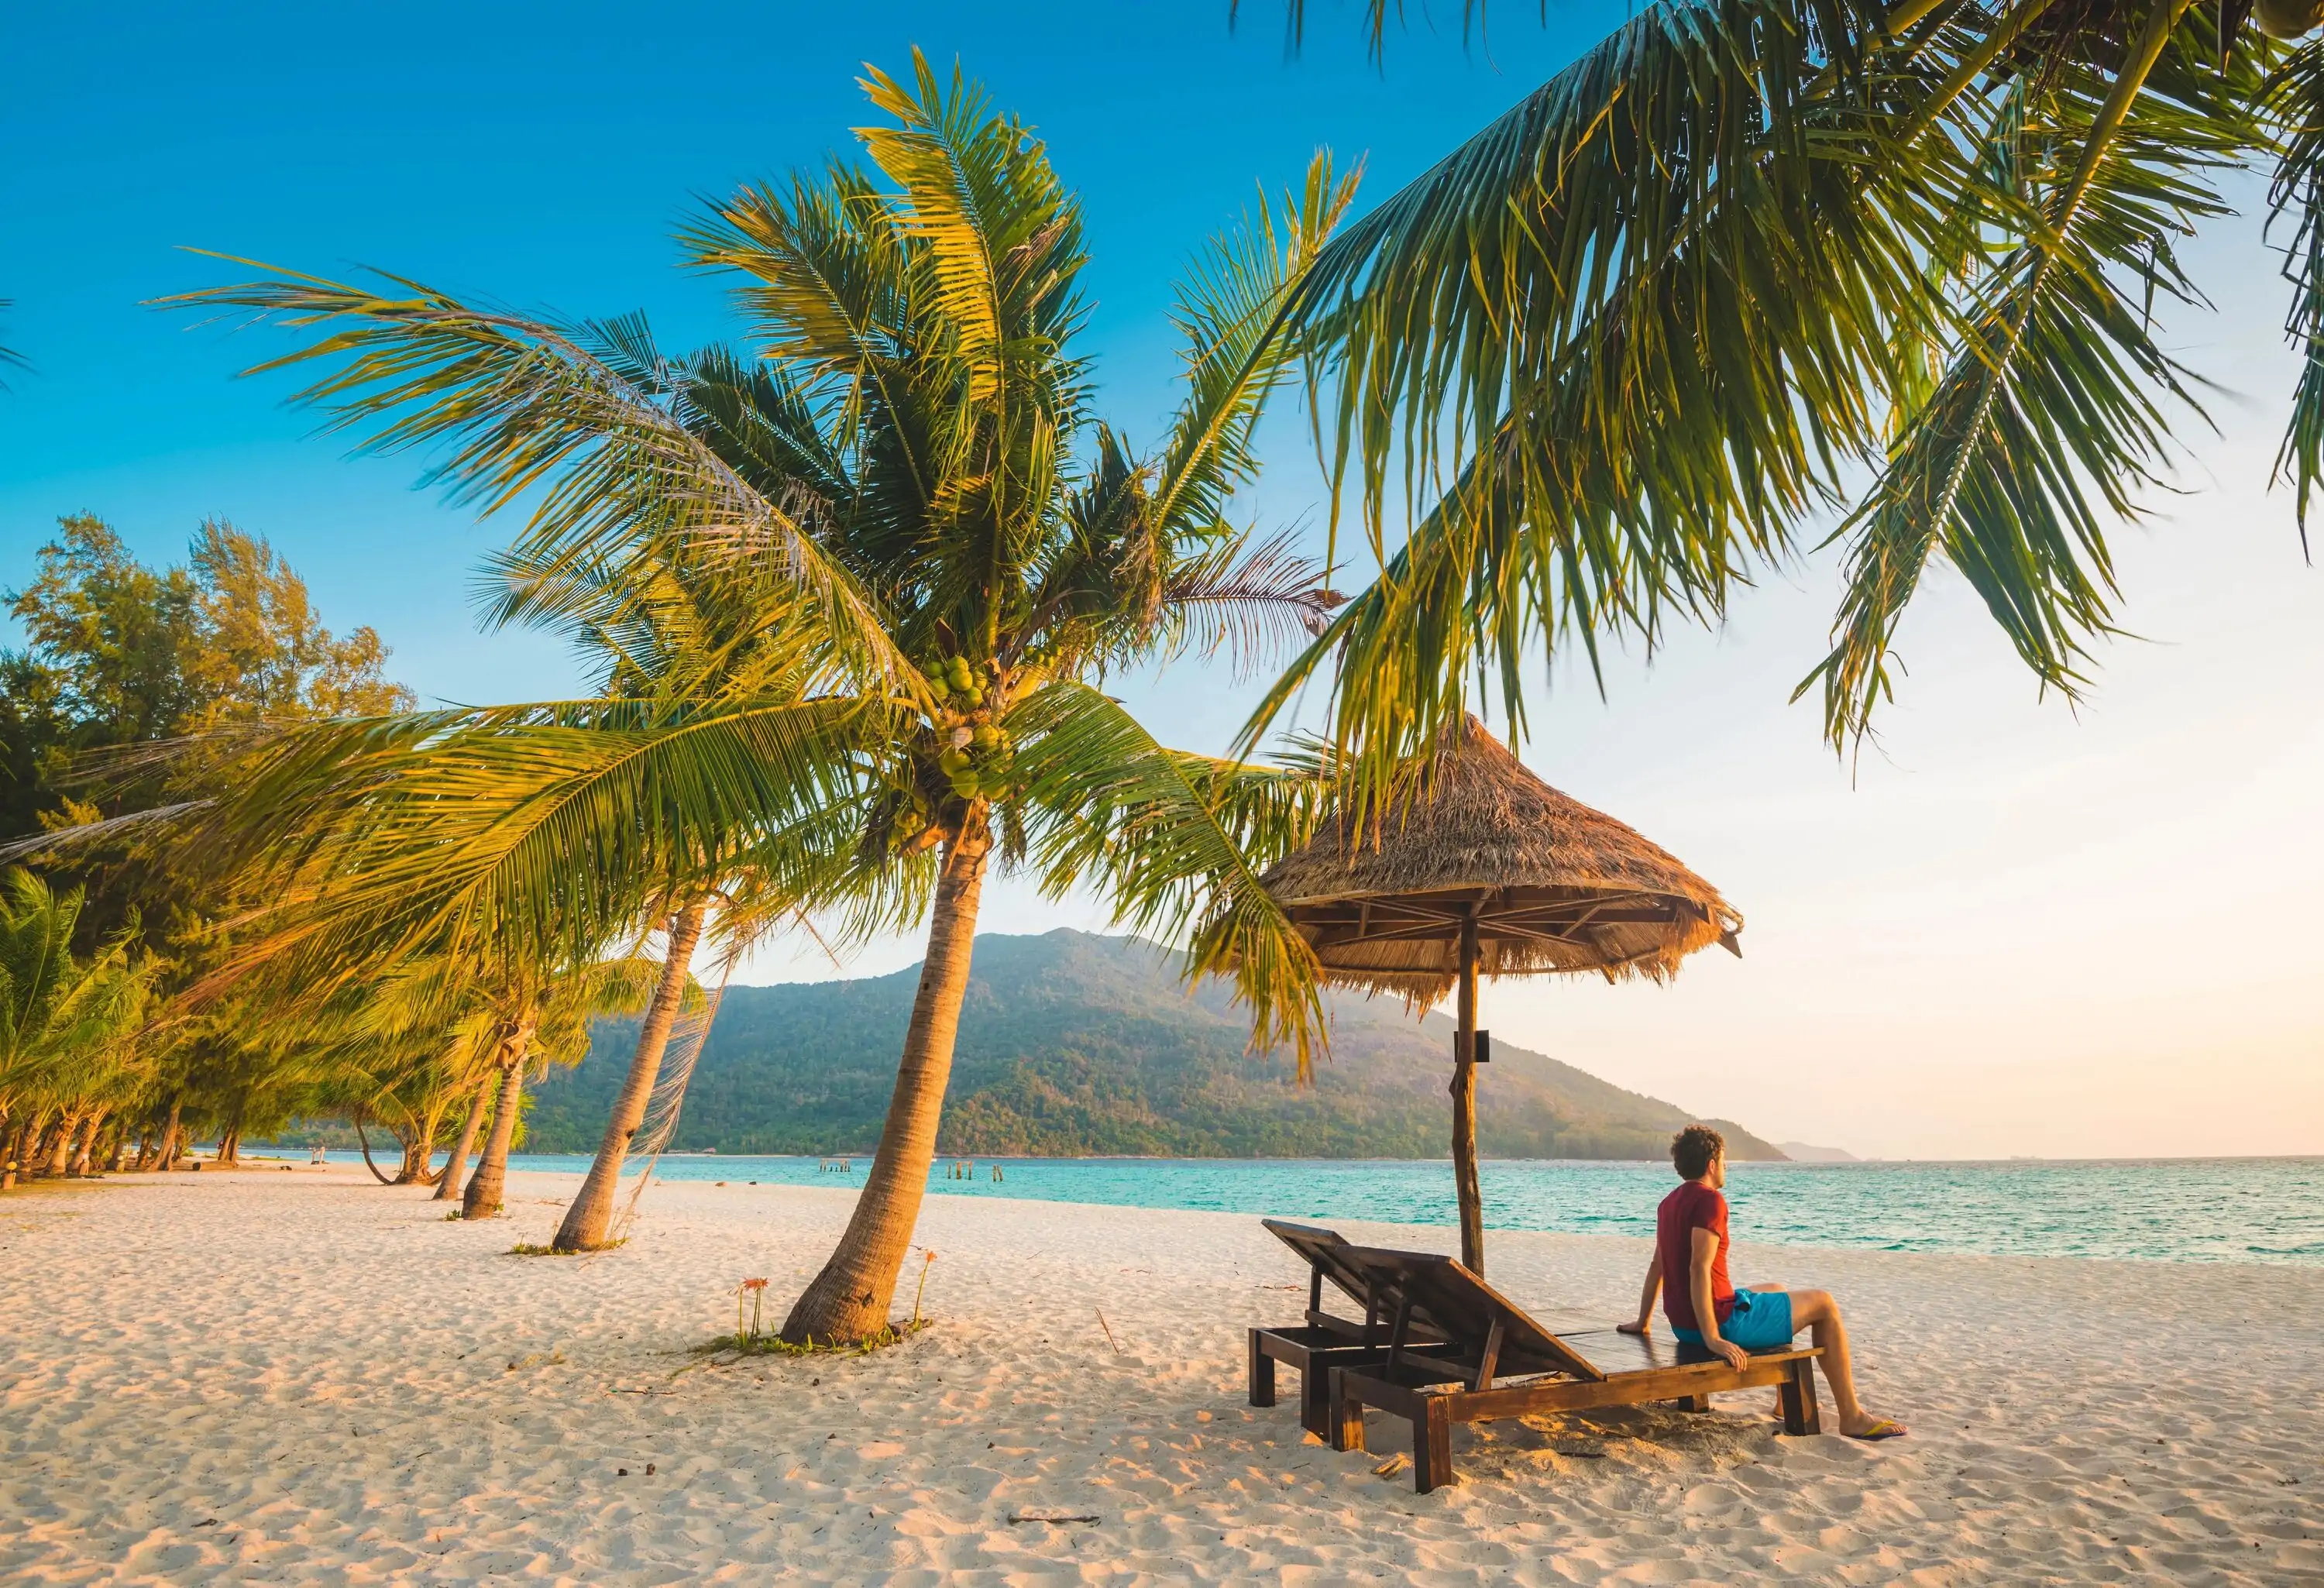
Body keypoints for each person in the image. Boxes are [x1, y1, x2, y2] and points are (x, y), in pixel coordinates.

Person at [1618, 1124, 1906, 1441]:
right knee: (1824, 1303)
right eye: (1724, 1161)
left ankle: (1785, 1402)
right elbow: (1698, 1269)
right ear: (1712, 1164)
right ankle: (1852, 1416)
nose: (1725, 1167)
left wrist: (1643, 1322)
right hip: (1719, 1323)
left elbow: (1658, 1264)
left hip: (1683, 1326)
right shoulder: (1710, 1201)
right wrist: (1714, 1338)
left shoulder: (1668, 1204)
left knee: (1775, 1289)